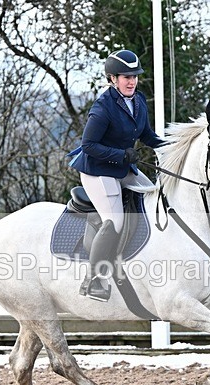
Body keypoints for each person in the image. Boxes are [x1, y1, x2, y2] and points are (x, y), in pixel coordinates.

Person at [69, 49, 167, 301]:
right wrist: (121, 154)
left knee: (156, 198)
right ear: (112, 79)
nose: (132, 81)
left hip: (123, 169)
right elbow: (89, 145)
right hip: (98, 171)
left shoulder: (138, 100)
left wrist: (169, 147)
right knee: (115, 220)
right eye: (126, 77)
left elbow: (146, 134)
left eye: (134, 76)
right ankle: (94, 279)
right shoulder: (103, 108)